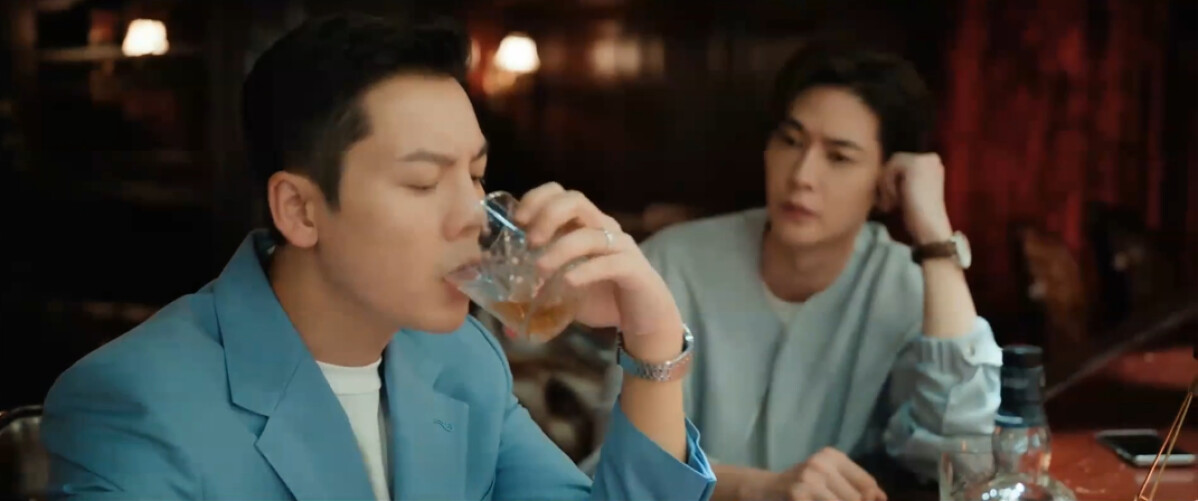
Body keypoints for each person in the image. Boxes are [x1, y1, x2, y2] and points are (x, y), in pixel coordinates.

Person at [39, 13, 715, 501]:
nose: (473, 217)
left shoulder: (461, 362)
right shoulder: (135, 402)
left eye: (477, 176)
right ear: (301, 210)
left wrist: (651, 340)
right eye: (422, 182)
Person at [591, 45, 1003, 501]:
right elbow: (619, 461)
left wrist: (936, 239)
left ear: (887, 184)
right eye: (790, 141)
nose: (802, 175)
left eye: (839, 157)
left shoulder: (903, 286)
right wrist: (759, 489)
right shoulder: (672, 264)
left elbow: (964, 454)